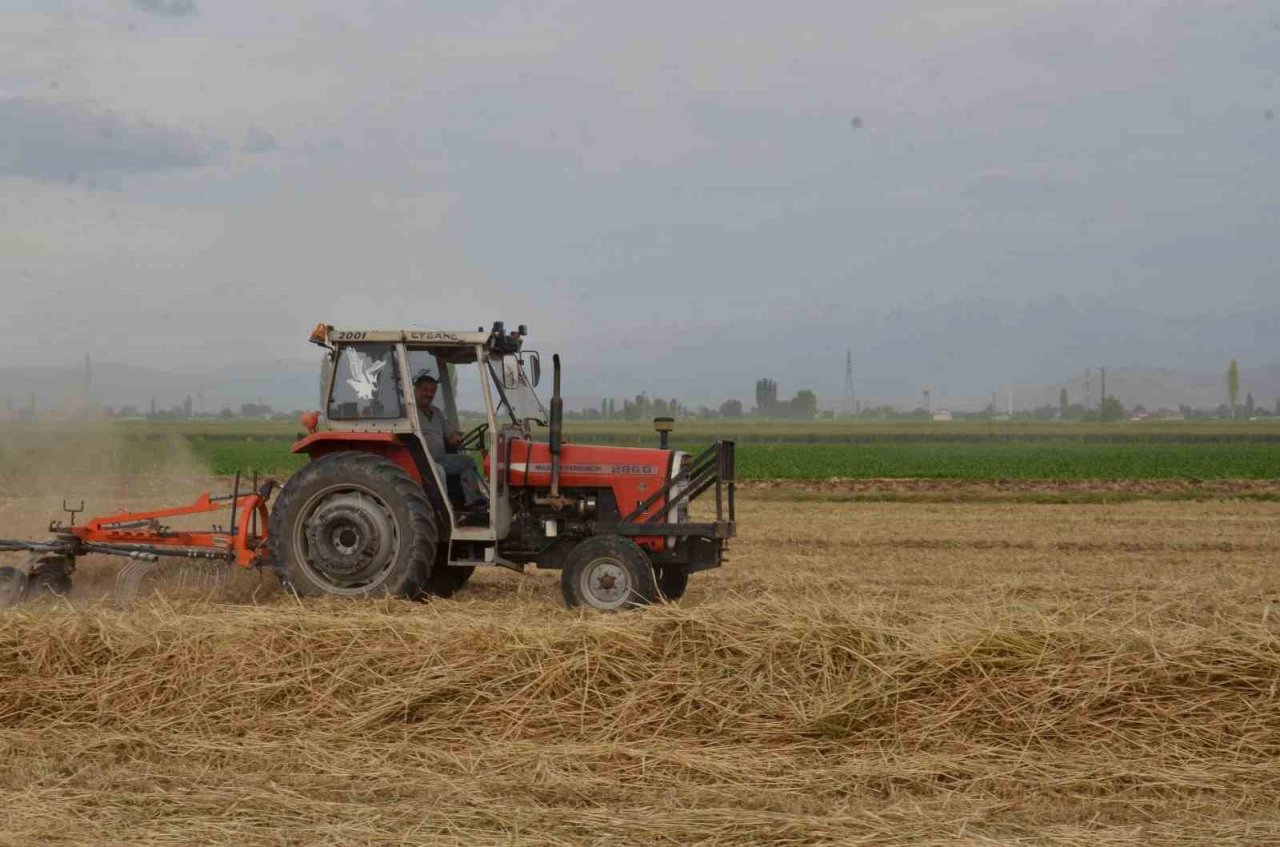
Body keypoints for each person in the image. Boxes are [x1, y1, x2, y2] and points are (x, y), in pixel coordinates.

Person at [412, 371, 487, 509]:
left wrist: (455, 437)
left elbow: (449, 435)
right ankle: (445, 509)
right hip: (421, 461)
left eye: (433, 391)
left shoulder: (436, 412)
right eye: (425, 390)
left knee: (467, 462)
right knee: (438, 471)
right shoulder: (409, 412)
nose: (429, 394)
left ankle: (474, 502)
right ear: (416, 389)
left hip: (440, 459)